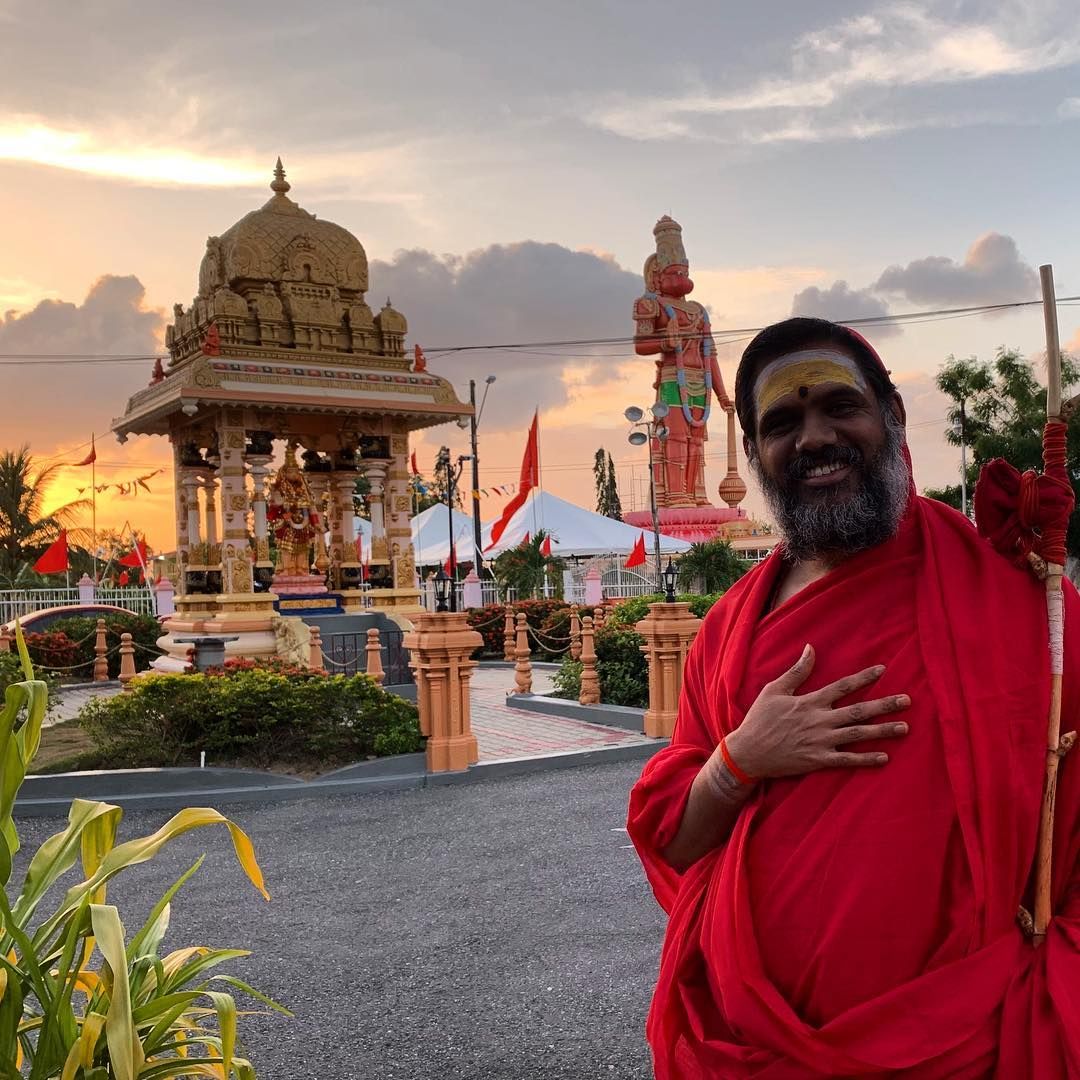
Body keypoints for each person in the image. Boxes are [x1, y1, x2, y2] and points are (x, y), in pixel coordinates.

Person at [627, 317, 1080, 1078]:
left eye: (840, 407)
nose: (813, 438)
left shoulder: (1025, 604)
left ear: (892, 418)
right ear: (755, 456)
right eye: (782, 423)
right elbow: (672, 838)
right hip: (750, 1041)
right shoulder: (729, 630)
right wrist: (741, 759)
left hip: (967, 1041)